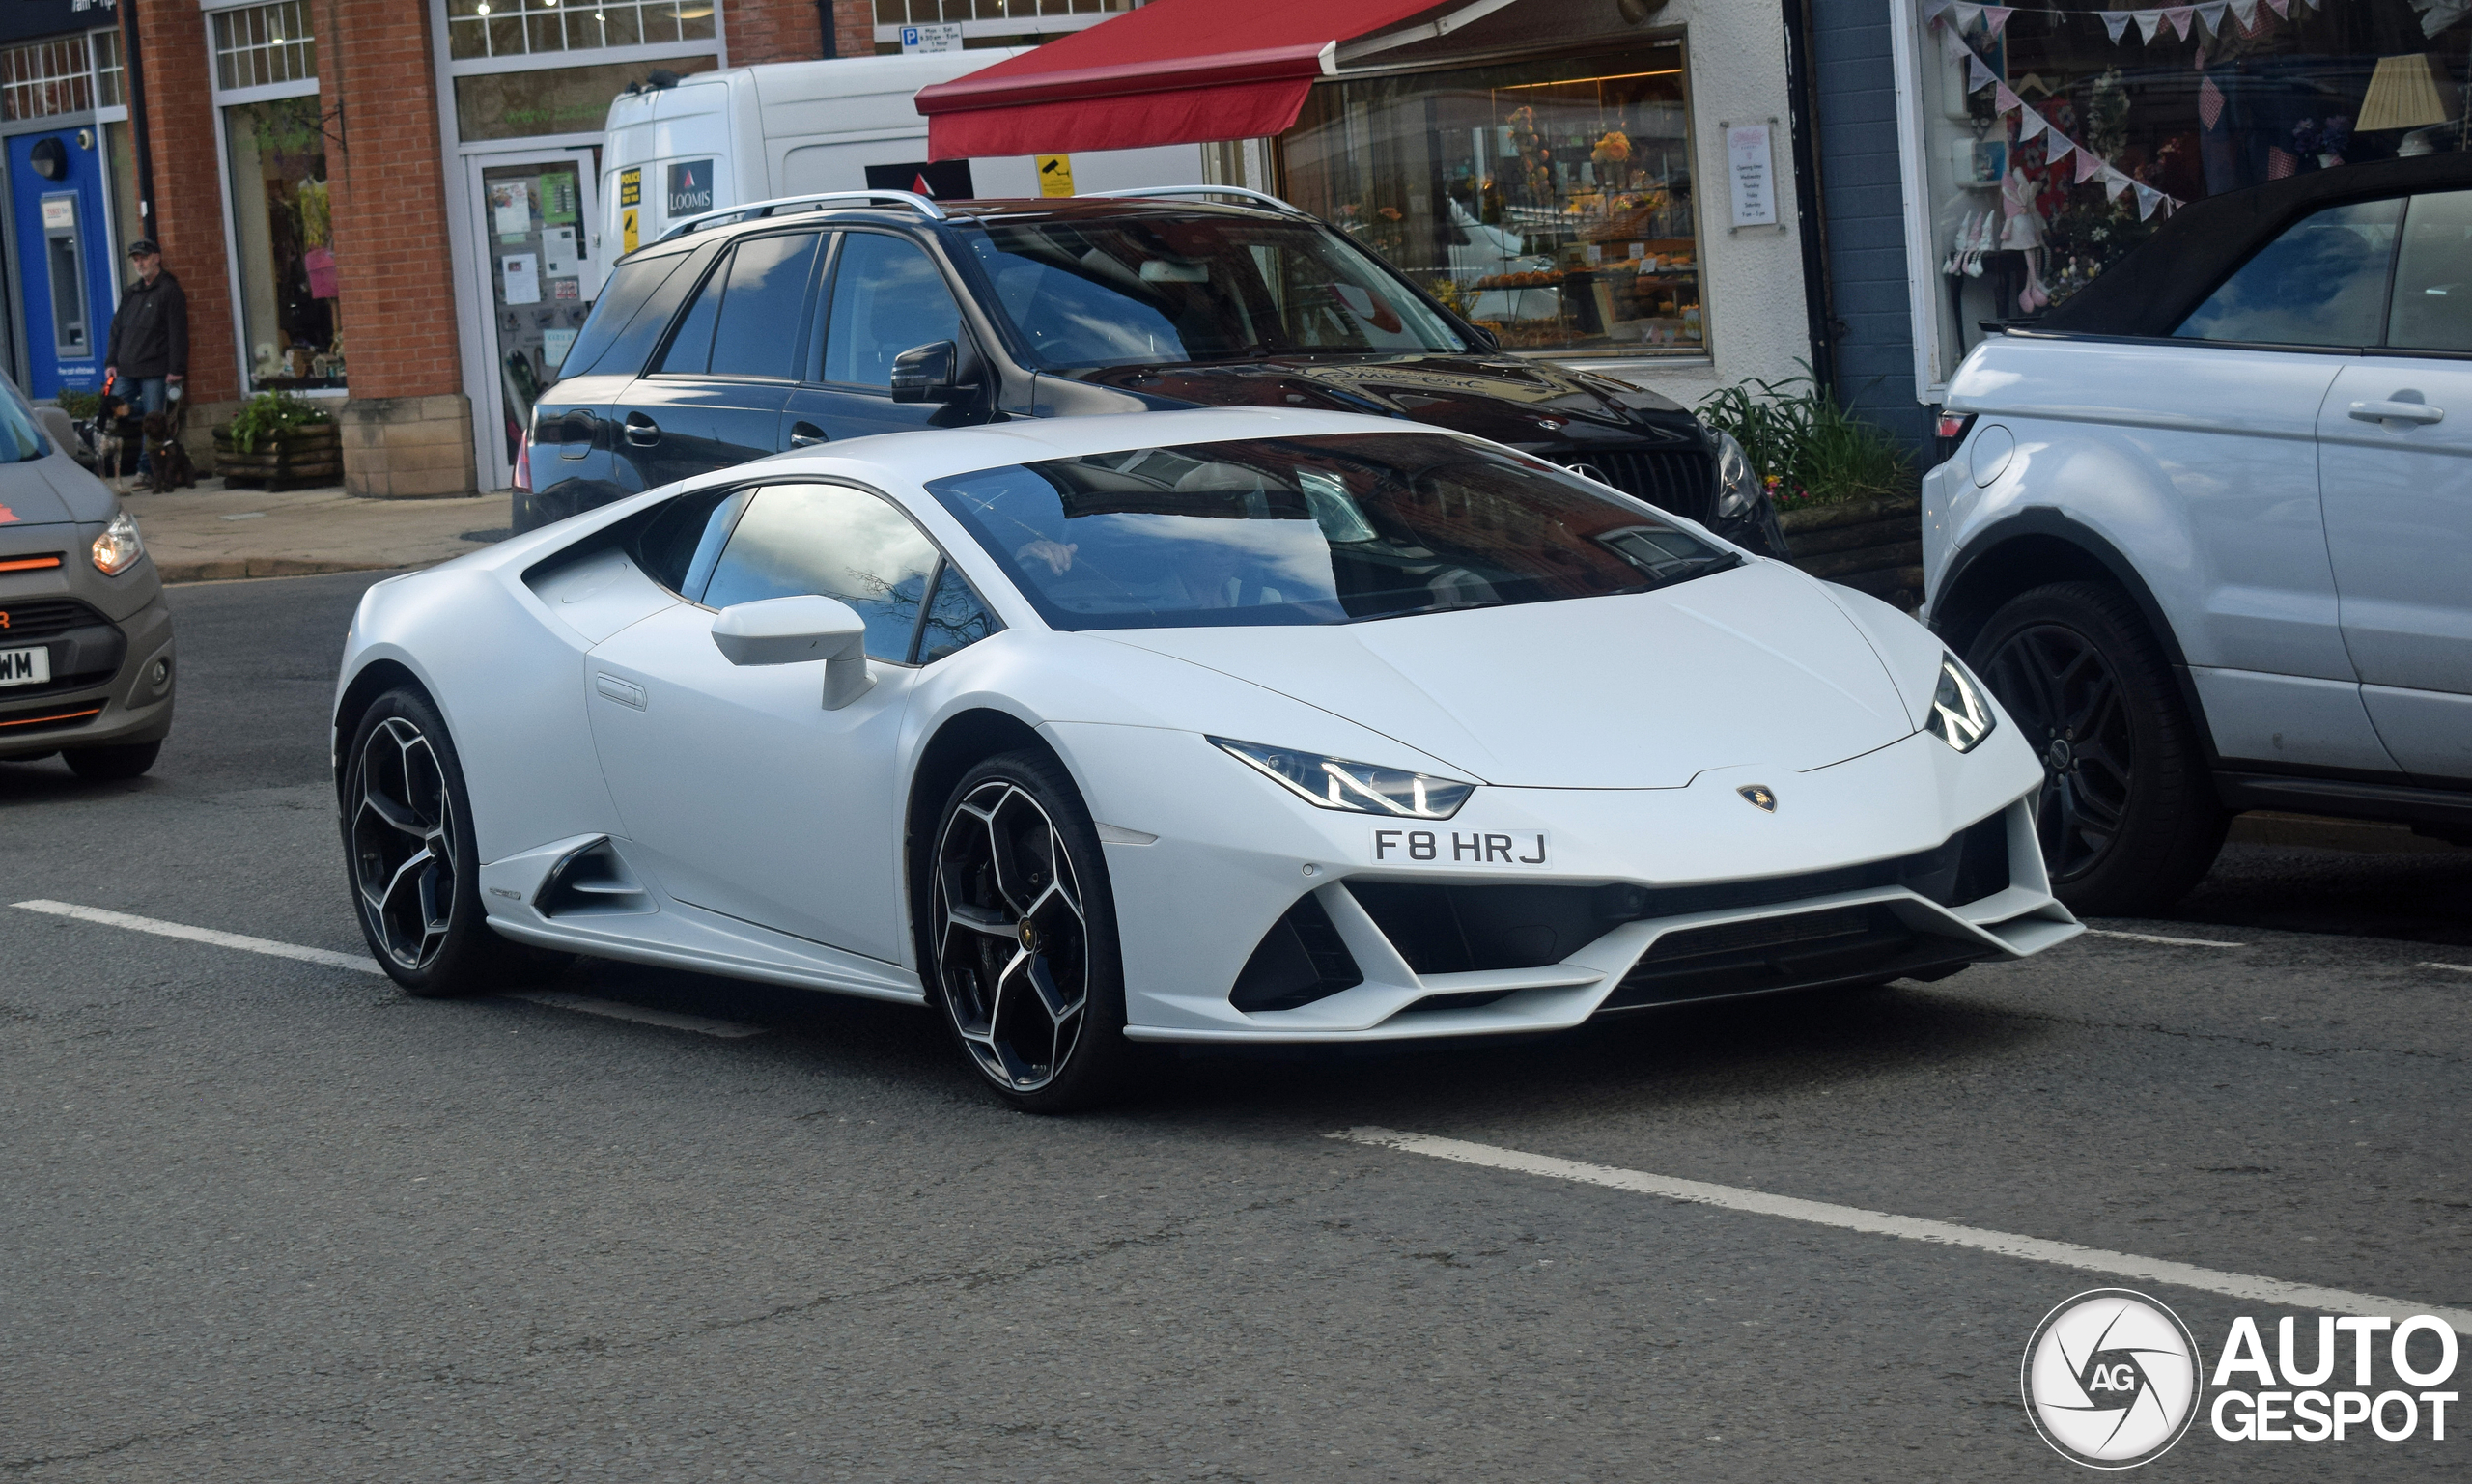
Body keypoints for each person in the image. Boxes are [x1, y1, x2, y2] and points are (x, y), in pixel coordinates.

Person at [103, 238, 187, 482]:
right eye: (136, 259)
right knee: (115, 409)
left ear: (157, 258)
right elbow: (116, 329)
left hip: (156, 369)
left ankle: (146, 470)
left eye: (144, 257)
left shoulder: (170, 291)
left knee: (154, 422)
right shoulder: (131, 292)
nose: (139, 263)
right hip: (126, 368)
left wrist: (176, 368)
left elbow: (178, 332)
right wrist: (111, 362)